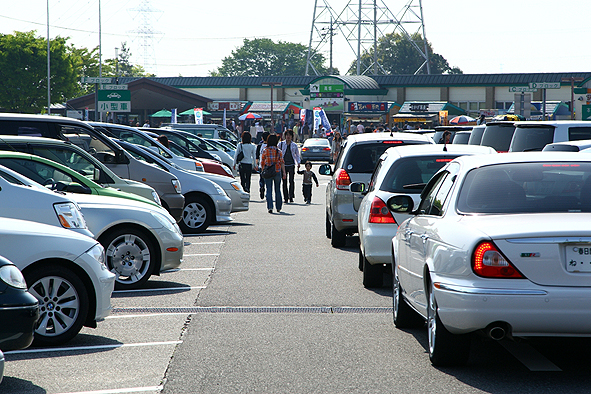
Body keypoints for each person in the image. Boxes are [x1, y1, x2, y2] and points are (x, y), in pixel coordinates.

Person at [259, 134, 286, 213]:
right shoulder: (279, 151)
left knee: (269, 189)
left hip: (268, 172)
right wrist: (284, 172)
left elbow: (262, 162)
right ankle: (278, 207)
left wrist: (262, 171)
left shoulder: (265, 150)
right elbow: (282, 162)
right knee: (277, 189)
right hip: (277, 171)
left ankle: (270, 207)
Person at [278, 129, 300, 203]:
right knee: (284, 181)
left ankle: (291, 196)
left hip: (291, 164)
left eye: (290, 136)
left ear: (292, 137)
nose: (288, 137)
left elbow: (297, 155)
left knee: (291, 181)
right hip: (283, 165)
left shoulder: (294, 145)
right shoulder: (281, 144)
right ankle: (286, 197)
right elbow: (277, 153)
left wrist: (298, 163)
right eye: (287, 135)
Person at [256, 131, 270, 199]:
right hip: (268, 165)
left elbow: (257, 156)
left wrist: (256, 164)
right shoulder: (270, 146)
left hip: (261, 165)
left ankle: (261, 187)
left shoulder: (259, 146)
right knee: (268, 179)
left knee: (261, 178)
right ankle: (268, 192)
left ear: (262, 138)